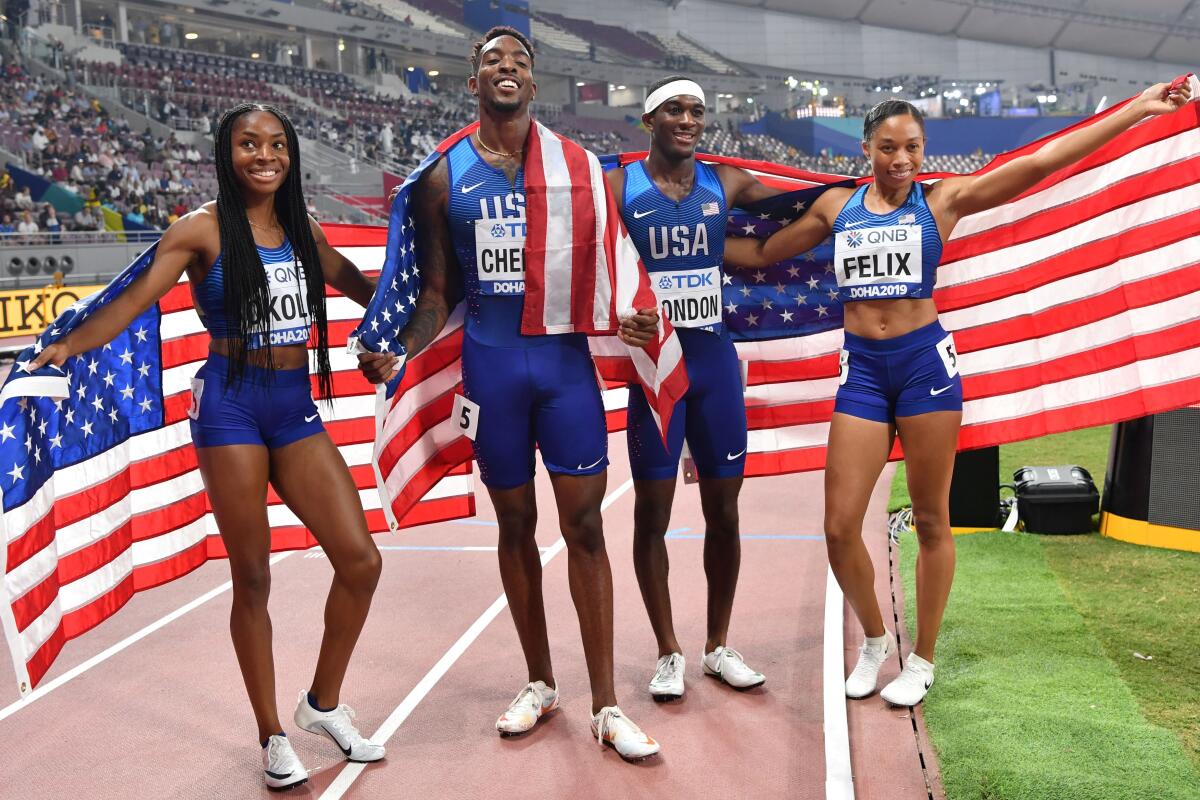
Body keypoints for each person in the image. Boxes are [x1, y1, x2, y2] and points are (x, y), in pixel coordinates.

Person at [726, 79, 1193, 707]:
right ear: (866, 147)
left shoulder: (942, 201)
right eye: (888, 147)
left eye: (912, 147)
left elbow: (1040, 163)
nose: (901, 160)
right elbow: (759, 253)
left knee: (931, 517)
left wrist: (1138, 109)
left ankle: (923, 658)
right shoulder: (835, 209)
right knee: (839, 526)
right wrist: (669, 240)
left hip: (925, 369)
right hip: (861, 370)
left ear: (924, 149)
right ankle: (873, 640)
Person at [32, 103, 388, 789]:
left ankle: (321, 704)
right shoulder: (199, 229)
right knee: (252, 576)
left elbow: (363, 291)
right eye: (249, 143)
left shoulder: (301, 229)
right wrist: (68, 348)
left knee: (361, 560)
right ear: (226, 153)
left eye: (278, 144)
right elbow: (134, 300)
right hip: (230, 407)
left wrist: (404, 330)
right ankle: (271, 734)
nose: (265, 155)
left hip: (293, 408)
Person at [359, 26, 663, 762]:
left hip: (564, 373)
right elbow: (437, 292)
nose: (506, 70)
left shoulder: (579, 169)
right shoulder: (443, 177)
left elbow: (612, 265)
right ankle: (539, 681)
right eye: (492, 61)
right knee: (515, 526)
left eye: (519, 63)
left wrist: (634, 310)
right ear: (473, 83)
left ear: (533, 83)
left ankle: (608, 706)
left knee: (585, 529)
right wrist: (399, 344)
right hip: (491, 368)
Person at [606, 76, 779, 700]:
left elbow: (797, 209)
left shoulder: (725, 183)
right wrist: (616, 314)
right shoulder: (618, 186)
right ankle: (668, 651)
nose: (688, 120)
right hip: (655, 373)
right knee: (652, 515)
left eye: (697, 111)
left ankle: (717, 644)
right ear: (648, 119)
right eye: (675, 110)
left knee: (724, 512)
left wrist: (885, 189)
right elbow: (582, 257)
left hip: (713, 362)